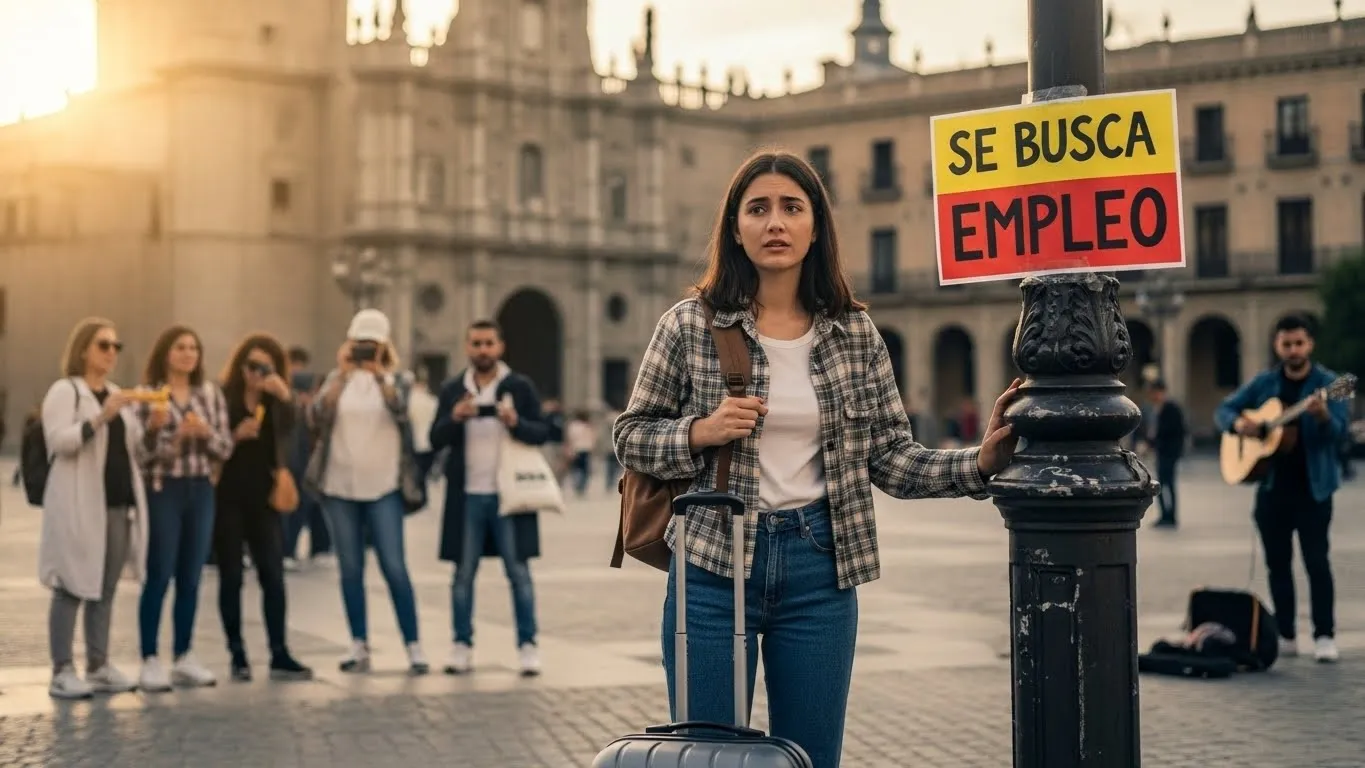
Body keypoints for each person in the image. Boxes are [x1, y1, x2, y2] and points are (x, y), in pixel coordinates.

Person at [611, 150, 1020, 767]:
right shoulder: (689, 324)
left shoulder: (854, 333)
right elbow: (631, 435)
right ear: (735, 226)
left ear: (814, 226)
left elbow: (891, 458)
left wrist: (980, 465)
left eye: (791, 208)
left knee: (812, 758)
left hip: (821, 569)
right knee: (707, 758)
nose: (775, 222)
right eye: (758, 209)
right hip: (712, 569)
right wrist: (701, 431)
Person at [1216, 314, 1350, 663]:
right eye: (1286, 344)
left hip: (1313, 490)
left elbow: (1339, 435)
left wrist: (1321, 417)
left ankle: (1324, 635)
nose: (1293, 350)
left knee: (1316, 563)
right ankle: (1287, 633)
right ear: (1277, 345)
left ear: (1310, 345)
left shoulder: (1330, 384)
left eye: (1299, 343)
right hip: (1273, 490)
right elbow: (1224, 410)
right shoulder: (1264, 383)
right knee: (1278, 564)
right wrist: (1239, 423)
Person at [307, 309, 428, 675]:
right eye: (360, 345)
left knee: (394, 566)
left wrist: (379, 377)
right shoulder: (336, 380)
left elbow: (403, 411)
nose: (365, 352)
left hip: (385, 486)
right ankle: (358, 644)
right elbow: (315, 416)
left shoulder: (398, 380)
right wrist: (342, 374)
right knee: (350, 569)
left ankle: (414, 645)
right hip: (340, 485)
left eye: (371, 346)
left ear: (384, 346)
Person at [429, 320, 551, 677]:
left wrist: (515, 422)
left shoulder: (519, 386)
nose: (482, 350)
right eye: (476, 343)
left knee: (519, 572)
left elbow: (544, 431)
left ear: (500, 347)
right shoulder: (454, 388)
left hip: (509, 496)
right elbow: (434, 438)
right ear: (467, 348)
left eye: (488, 343)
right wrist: (455, 417)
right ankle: (461, 644)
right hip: (466, 497)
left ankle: (528, 645)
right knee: (463, 574)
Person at [40, 318, 150, 698]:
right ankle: (62, 669)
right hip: (77, 503)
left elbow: (133, 450)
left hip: (116, 504)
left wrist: (151, 426)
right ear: (84, 348)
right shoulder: (66, 391)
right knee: (71, 582)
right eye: (104, 344)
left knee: (104, 587)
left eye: (116, 346)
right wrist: (101, 416)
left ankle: (99, 664)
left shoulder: (118, 393)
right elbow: (59, 441)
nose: (111, 353)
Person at [134, 325, 234, 692]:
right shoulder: (147, 395)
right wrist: (175, 437)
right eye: (180, 347)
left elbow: (225, 448)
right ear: (165, 353)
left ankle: (184, 654)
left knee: (191, 576)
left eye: (194, 347)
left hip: (201, 489)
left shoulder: (209, 394)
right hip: (164, 489)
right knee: (159, 572)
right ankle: (149, 658)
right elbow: (143, 456)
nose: (188, 354)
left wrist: (205, 433)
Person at [212, 333, 313, 682]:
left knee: (273, 574)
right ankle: (237, 653)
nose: (257, 373)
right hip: (227, 496)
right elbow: (212, 444)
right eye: (252, 366)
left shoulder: (276, 402)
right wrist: (235, 435)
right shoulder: (224, 398)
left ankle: (279, 652)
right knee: (232, 577)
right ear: (240, 367)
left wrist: (285, 399)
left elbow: (295, 435)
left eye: (265, 367)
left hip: (265, 496)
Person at [1144, 379, 1186, 528]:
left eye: (1155, 393)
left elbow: (1177, 430)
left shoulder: (1171, 408)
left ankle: (1171, 515)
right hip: (1161, 451)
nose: (1153, 396)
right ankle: (1164, 514)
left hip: (1170, 452)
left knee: (1168, 483)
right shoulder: (1156, 409)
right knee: (1162, 483)